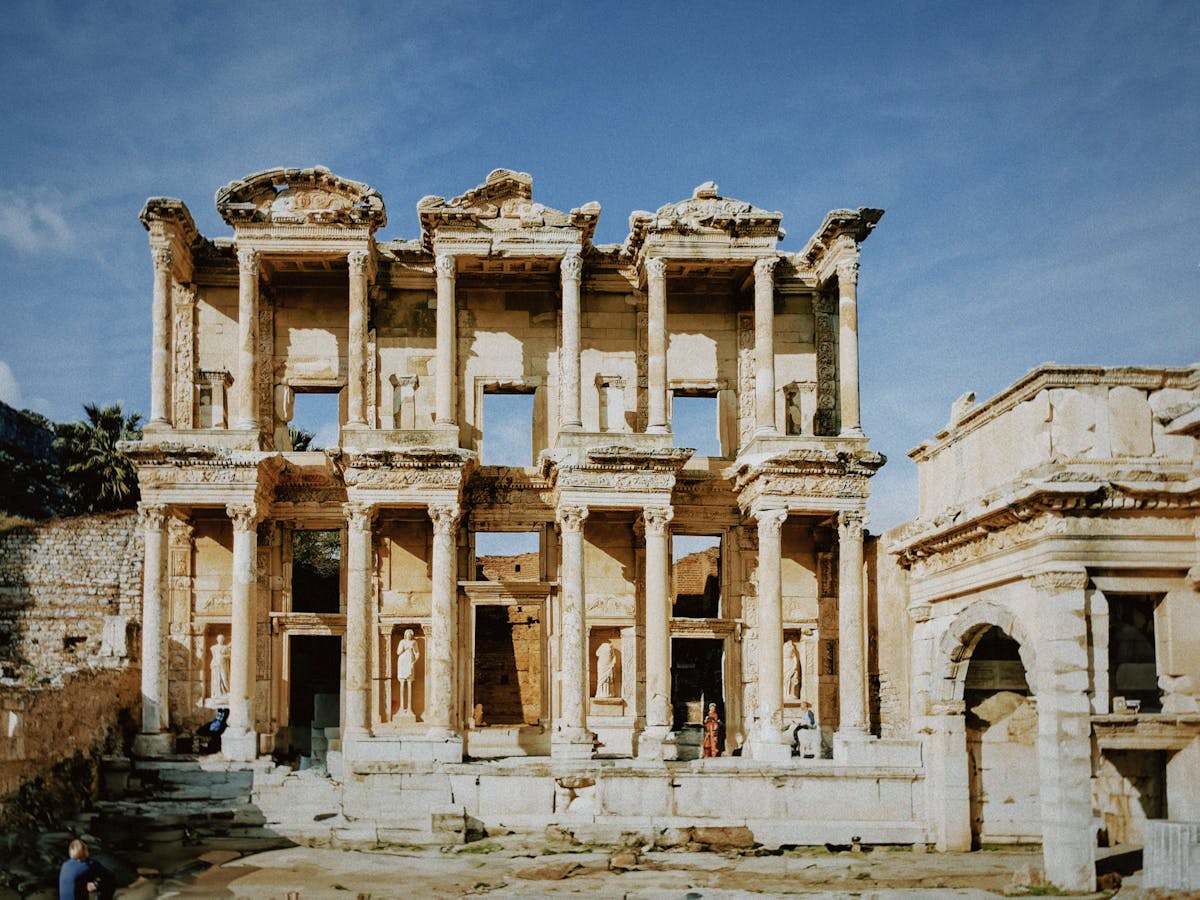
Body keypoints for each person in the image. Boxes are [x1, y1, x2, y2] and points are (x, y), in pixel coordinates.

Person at [396, 629, 420, 715]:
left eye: (410, 635)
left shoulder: (414, 642)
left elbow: (417, 653)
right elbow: (398, 652)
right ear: (405, 635)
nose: (409, 636)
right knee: (402, 684)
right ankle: (402, 707)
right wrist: (405, 647)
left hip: (410, 663)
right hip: (402, 662)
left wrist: (414, 662)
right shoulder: (402, 642)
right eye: (408, 634)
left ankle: (409, 708)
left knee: (409, 683)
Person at [209, 633, 230, 699]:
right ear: (217, 639)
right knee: (216, 678)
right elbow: (214, 657)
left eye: (221, 639)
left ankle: (226, 691)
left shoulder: (225, 647)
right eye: (219, 638)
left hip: (223, 664)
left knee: (224, 677)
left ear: (223, 640)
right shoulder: (213, 647)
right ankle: (217, 693)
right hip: (216, 664)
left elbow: (229, 656)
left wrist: (223, 656)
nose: (220, 640)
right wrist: (212, 663)